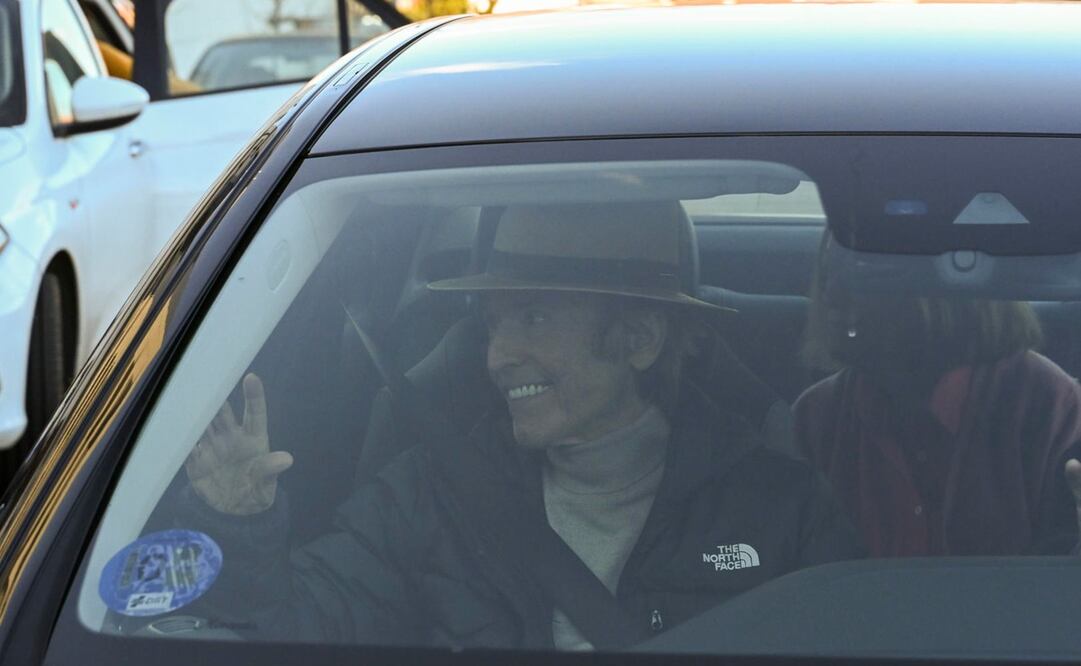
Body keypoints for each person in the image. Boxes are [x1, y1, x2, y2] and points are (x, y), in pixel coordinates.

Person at [174, 201, 863, 649]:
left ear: (639, 339)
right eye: (495, 323)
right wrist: (239, 526)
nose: (498, 356)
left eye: (534, 318)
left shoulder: (782, 508)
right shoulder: (428, 494)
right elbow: (291, 630)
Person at [795, 232, 1081, 557]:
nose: (832, 289)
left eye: (867, 265)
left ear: (954, 282)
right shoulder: (816, 417)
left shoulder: (1051, 408)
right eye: (832, 264)